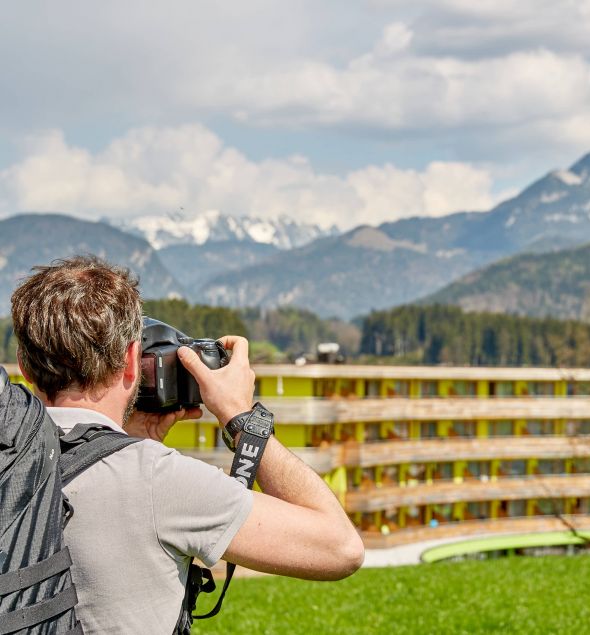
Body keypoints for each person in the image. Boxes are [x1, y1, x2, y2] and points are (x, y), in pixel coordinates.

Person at [10, 256, 364, 633]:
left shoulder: (9, 462)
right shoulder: (158, 480)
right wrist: (240, 417)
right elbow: (341, 548)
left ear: (25, 366)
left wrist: (124, 442)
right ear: (132, 360)